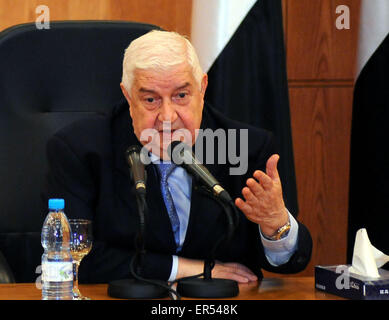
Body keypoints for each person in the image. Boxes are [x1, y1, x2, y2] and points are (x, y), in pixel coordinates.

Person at [41, 30, 312, 284]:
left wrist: (275, 224)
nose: (168, 117)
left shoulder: (248, 147)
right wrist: (189, 269)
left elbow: (286, 264)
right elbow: (71, 258)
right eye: (151, 100)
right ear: (127, 95)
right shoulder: (79, 150)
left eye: (181, 96)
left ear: (202, 88)